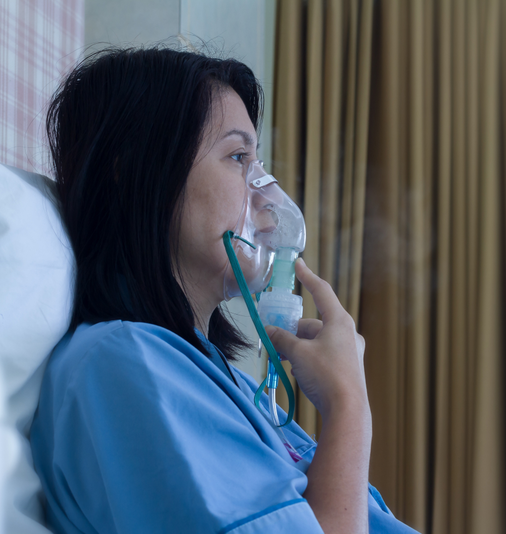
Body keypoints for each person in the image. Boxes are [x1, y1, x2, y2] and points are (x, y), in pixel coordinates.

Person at [30, 47, 417, 534]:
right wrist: (348, 407)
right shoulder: (125, 363)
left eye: (258, 163)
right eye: (238, 157)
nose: (268, 195)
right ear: (134, 168)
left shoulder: (216, 378)